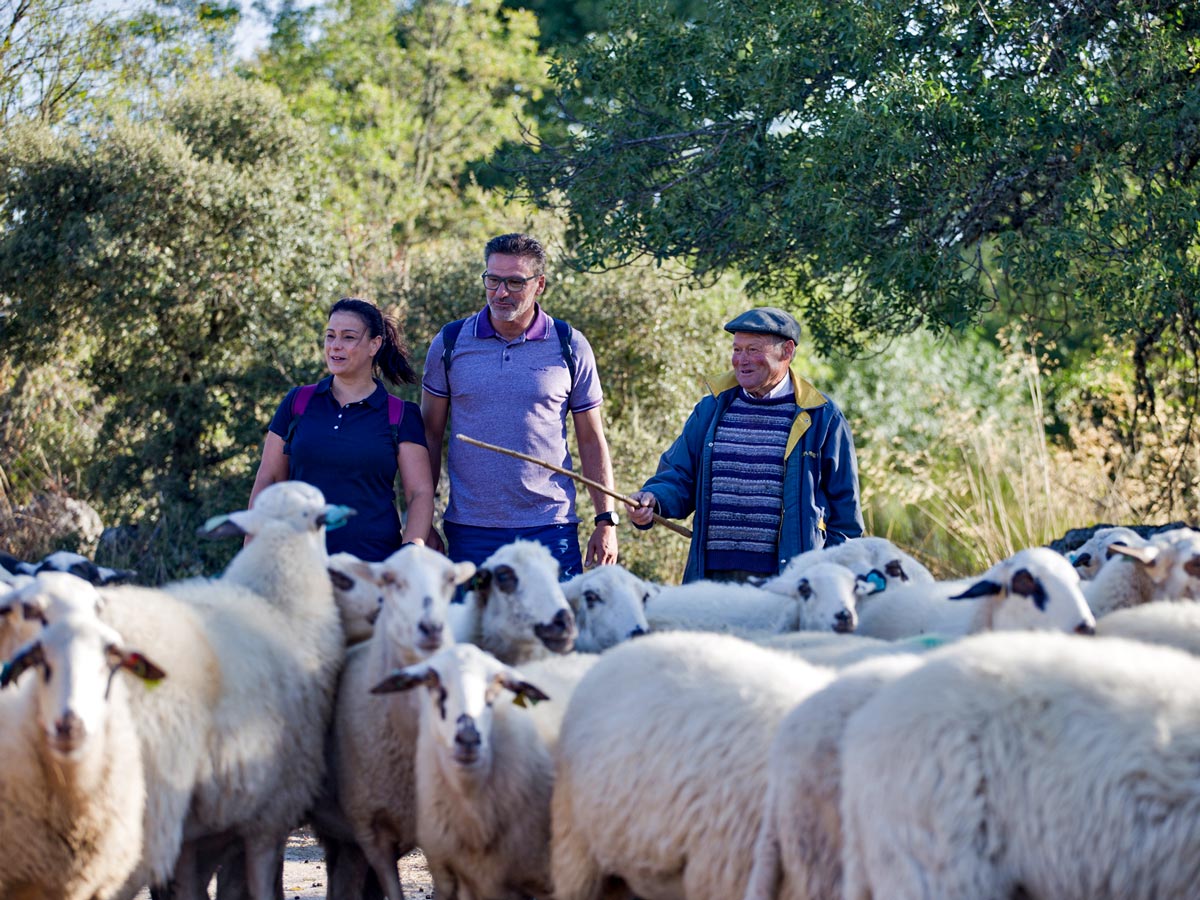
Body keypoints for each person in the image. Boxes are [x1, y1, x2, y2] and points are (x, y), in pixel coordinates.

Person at [421, 233, 619, 579]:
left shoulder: (569, 345)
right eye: (493, 280)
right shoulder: (450, 343)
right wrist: (421, 521)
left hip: (550, 527)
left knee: (553, 631)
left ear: (539, 284)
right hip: (471, 529)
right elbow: (430, 435)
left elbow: (591, 439)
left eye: (515, 282)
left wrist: (606, 519)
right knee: (476, 632)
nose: (501, 293)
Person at [625, 306, 864, 583]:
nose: (741, 360)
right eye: (737, 350)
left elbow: (846, 516)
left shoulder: (822, 416)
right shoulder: (711, 409)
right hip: (712, 577)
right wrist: (654, 501)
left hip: (788, 580)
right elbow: (679, 476)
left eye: (753, 350)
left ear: (787, 352)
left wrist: (829, 580)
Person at [248, 297, 434, 561]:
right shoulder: (297, 402)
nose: (335, 346)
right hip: (298, 565)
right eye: (330, 336)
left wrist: (411, 551)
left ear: (374, 345)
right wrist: (252, 547)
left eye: (348, 338)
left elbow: (420, 493)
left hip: (371, 571)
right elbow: (268, 479)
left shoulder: (400, 414)